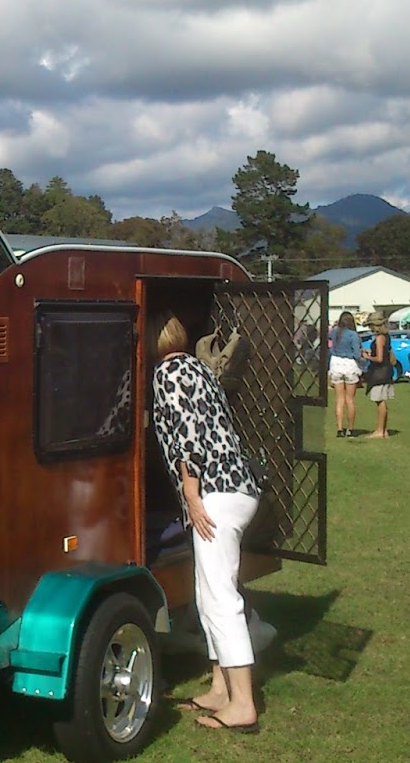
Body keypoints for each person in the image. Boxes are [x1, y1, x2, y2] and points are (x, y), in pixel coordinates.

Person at [149, 311, 262, 733]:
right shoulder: (198, 366)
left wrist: (192, 495)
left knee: (220, 600)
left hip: (215, 492)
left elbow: (188, 435)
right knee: (207, 592)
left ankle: (243, 706)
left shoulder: (168, 373)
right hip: (238, 486)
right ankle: (220, 688)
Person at [328, 312, 362, 437]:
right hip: (349, 364)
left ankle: (339, 429)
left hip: (336, 363)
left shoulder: (334, 332)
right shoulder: (353, 335)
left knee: (339, 400)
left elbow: (330, 347)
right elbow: (357, 354)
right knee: (350, 400)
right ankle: (351, 429)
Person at [362, 317, 395, 439]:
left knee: (379, 400)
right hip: (387, 370)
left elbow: (379, 358)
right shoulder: (387, 337)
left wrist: (367, 356)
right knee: (382, 400)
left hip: (380, 372)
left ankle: (380, 430)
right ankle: (384, 430)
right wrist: (371, 352)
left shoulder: (379, 338)